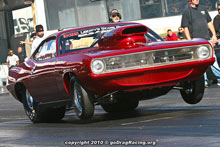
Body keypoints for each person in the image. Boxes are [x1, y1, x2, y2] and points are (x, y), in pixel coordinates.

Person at [181, 0, 218, 87]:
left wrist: (214, 35)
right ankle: (203, 81)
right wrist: (190, 41)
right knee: (201, 63)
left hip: (207, 40)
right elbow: (185, 27)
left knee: (213, 60)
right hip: (196, 41)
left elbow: (209, 22)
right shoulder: (186, 11)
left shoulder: (203, 9)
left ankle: (219, 78)